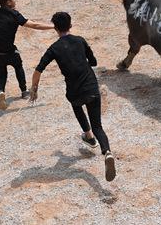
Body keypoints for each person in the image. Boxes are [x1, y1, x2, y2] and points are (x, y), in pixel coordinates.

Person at [30, 12, 117, 182]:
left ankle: (89, 137)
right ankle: (106, 151)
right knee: (97, 125)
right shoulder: (80, 40)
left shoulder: (53, 48)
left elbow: (38, 69)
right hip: (90, 87)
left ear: (55, 28)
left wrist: (34, 89)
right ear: (70, 25)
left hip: (74, 91)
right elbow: (94, 62)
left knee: (76, 106)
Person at [0, 0, 55, 109]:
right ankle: (24, 91)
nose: (15, 1)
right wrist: (53, 26)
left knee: (1, 75)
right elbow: (34, 25)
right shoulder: (15, 15)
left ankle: (0, 91)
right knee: (18, 65)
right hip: (8, 51)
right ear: (8, 2)